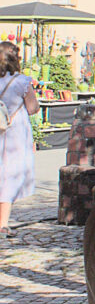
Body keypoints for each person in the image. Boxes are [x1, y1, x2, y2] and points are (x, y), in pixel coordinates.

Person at [0, 42, 40, 238]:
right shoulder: (21, 81)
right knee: (9, 175)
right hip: (13, 132)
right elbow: (33, 108)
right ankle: (3, 224)